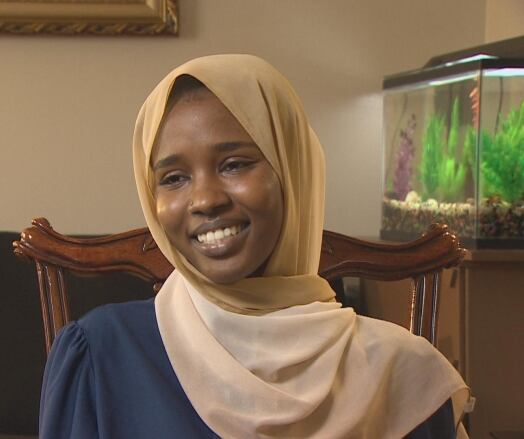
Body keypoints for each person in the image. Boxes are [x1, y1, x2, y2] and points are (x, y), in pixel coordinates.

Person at [39, 54, 469, 438]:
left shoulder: (403, 373)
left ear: (292, 171)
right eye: (173, 178)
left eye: (235, 164)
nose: (205, 199)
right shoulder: (99, 356)